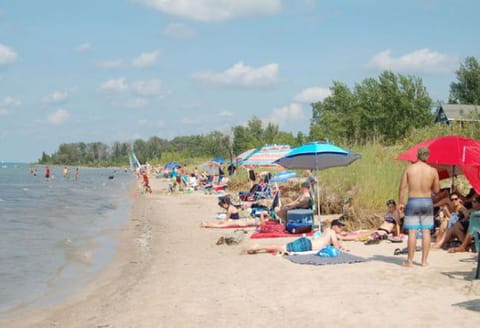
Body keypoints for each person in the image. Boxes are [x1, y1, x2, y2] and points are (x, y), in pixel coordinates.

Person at [398, 147, 440, 267]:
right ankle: (424, 261)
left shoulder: (409, 169)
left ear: (417, 155)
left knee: (412, 232)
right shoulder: (432, 171)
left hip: (413, 201)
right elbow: (437, 190)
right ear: (428, 156)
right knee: (426, 231)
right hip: (426, 201)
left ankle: (410, 261)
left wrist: (401, 203)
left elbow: (402, 188)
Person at [245, 219, 346, 255]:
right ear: (335, 226)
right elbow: (336, 247)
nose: (341, 229)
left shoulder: (327, 230)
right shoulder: (332, 232)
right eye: (340, 227)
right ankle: (258, 247)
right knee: (282, 248)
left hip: (306, 242)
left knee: (282, 246)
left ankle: (260, 247)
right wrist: (342, 246)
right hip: (307, 245)